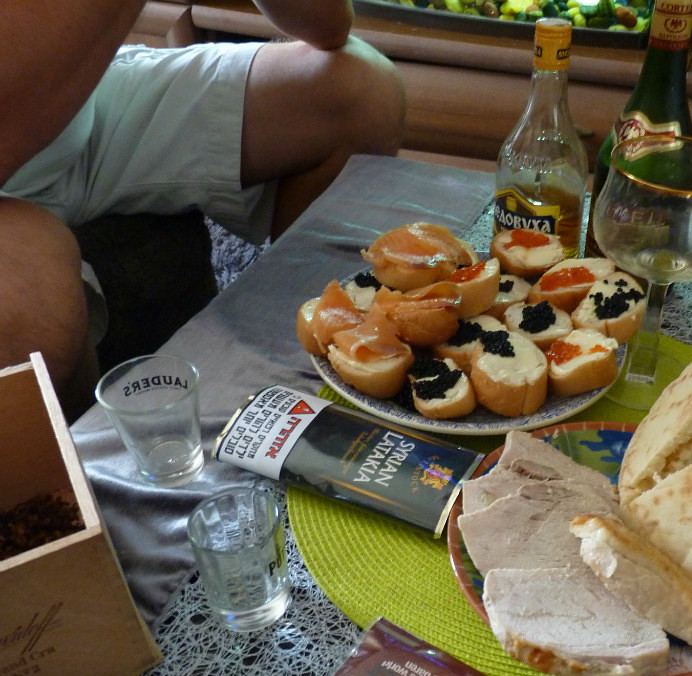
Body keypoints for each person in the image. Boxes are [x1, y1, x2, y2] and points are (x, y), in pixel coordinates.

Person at [0, 0, 406, 420]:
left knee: (360, 92)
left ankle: (299, 376)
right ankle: (96, 458)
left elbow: (328, 25)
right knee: (32, 297)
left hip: (72, 110)